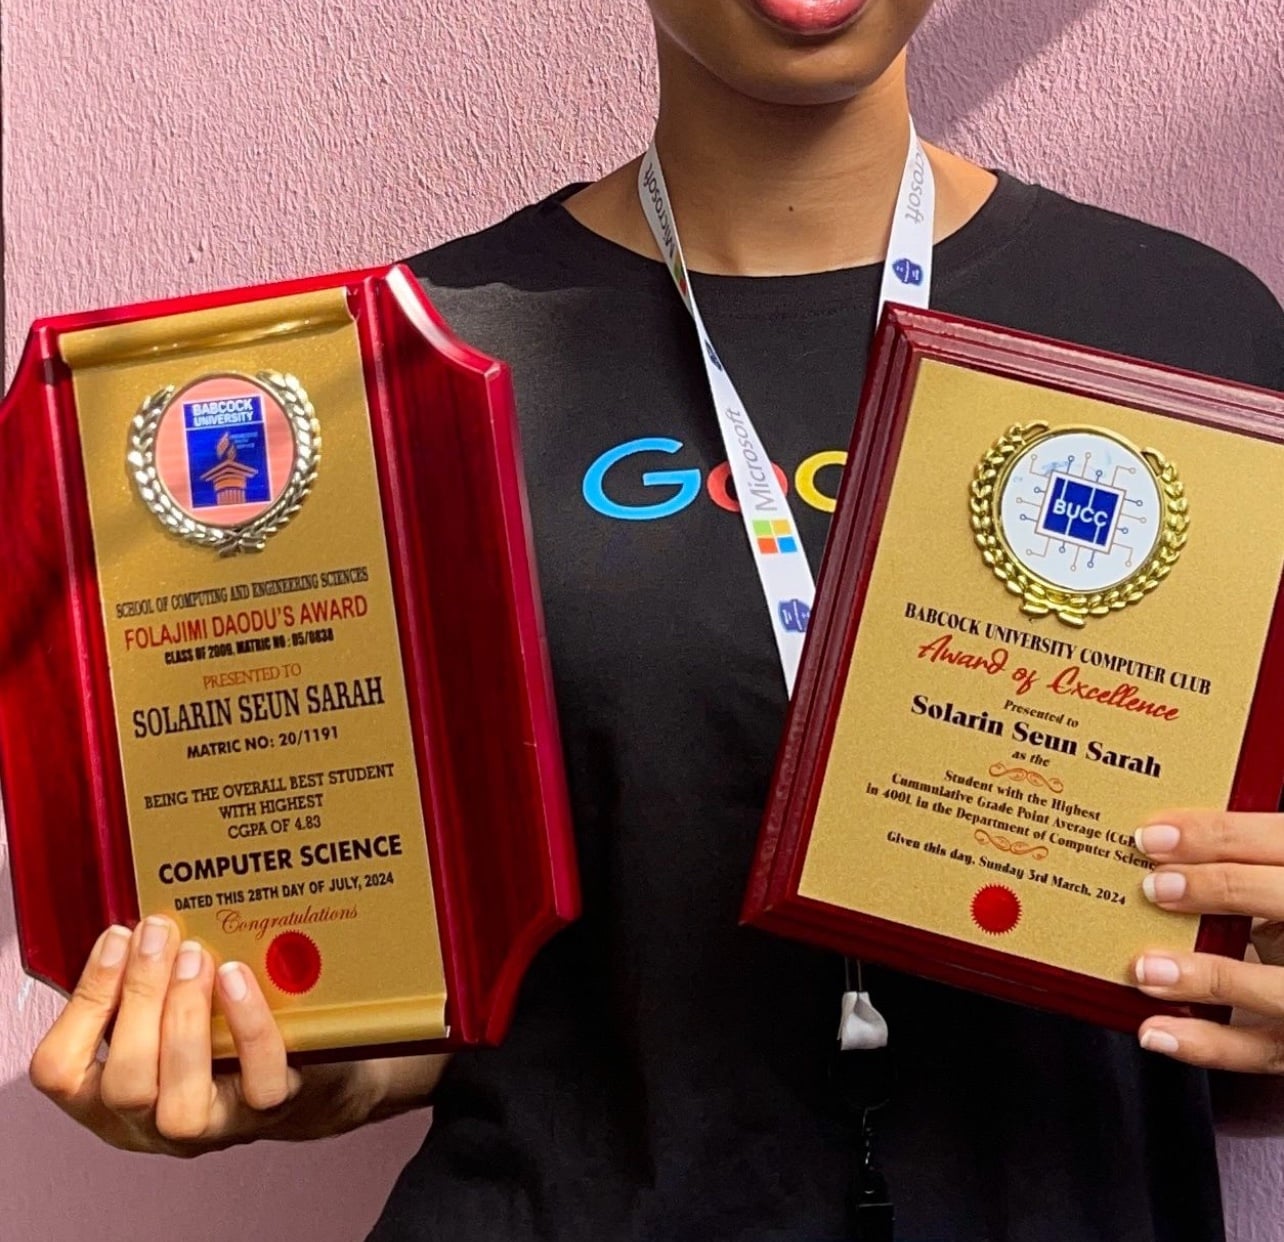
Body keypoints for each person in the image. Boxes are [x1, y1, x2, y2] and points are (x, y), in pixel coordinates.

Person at [27, 1, 1284, 1239]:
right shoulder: (417, 363)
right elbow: (436, 980)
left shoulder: (1190, 330)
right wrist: (297, 1070)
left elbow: (1225, 1000)